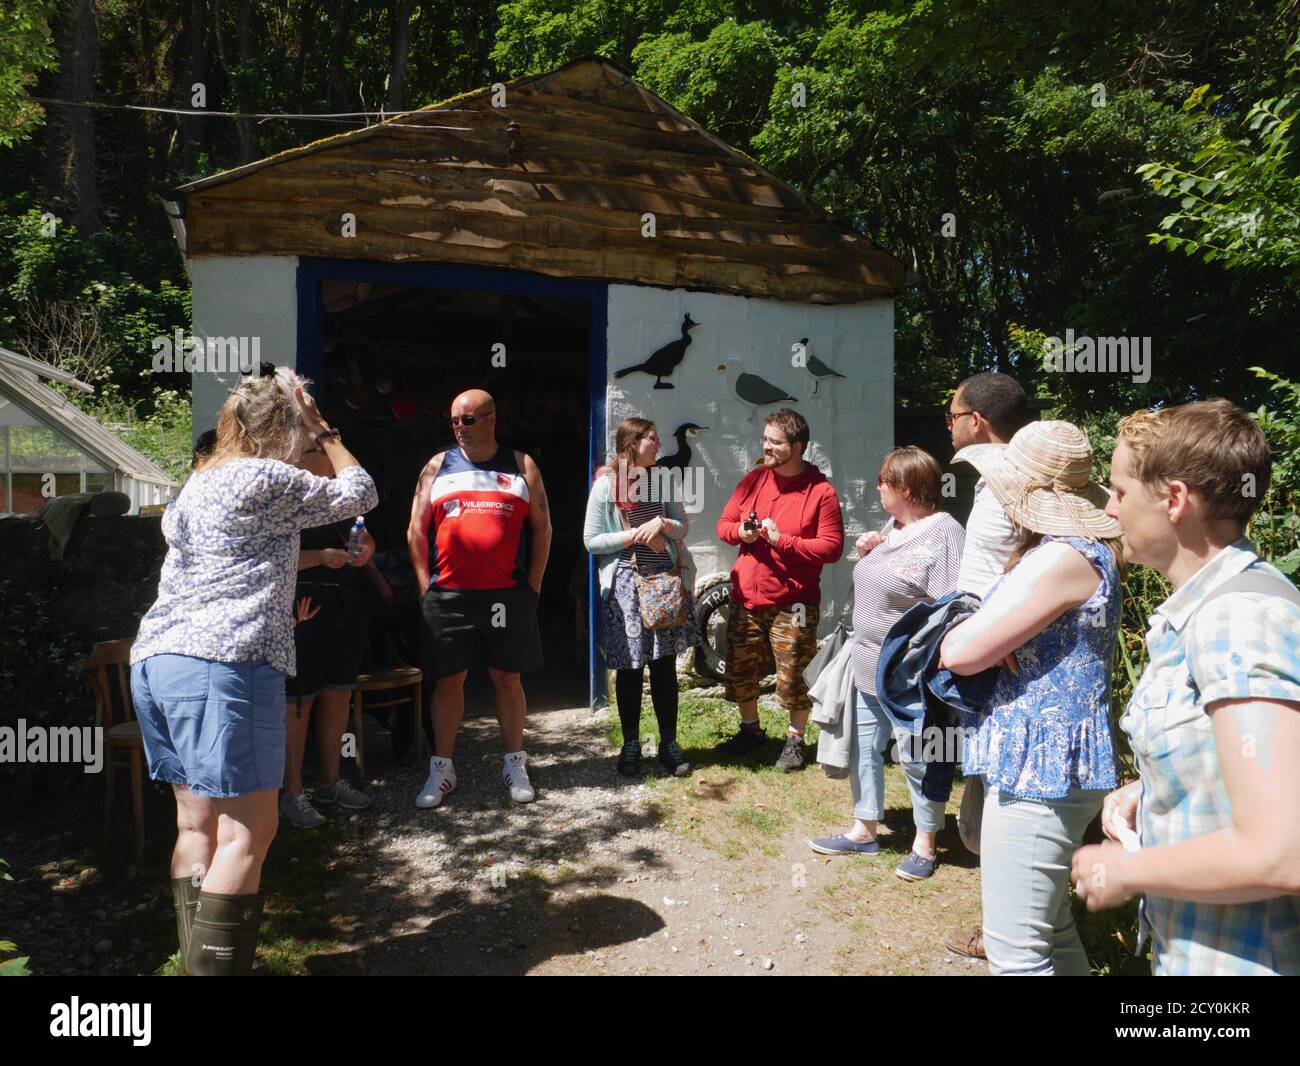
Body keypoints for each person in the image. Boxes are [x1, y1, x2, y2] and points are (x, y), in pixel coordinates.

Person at [130, 368, 377, 975]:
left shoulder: (199, 479)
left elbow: (233, 562)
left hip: (158, 661)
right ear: (288, 427)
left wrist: (290, 588)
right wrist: (326, 429)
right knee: (249, 831)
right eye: (301, 429)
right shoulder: (266, 475)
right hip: (225, 666)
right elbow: (360, 491)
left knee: (196, 823)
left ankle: (198, 963)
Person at [1072, 400, 1300, 975]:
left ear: (1174, 500)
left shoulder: (1237, 620)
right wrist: (1151, 790)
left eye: (1120, 492)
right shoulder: (1210, 610)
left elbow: (1284, 851)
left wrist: (1124, 870)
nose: (1109, 508)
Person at [940, 420, 1124, 975]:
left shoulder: (1061, 557)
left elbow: (959, 651)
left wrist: (974, 637)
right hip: (1051, 762)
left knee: (1016, 953)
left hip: (1039, 767)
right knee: (1050, 934)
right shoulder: (1082, 551)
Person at [810, 447, 965, 880]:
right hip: (865, 663)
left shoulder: (944, 532)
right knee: (863, 747)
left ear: (906, 487)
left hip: (908, 672)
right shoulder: (895, 526)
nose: (877, 487)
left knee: (918, 753)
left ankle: (926, 842)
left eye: (883, 480)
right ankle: (864, 829)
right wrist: (872, 547)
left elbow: (950, 606)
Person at [407, 388, 551, 808]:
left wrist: (535, 584)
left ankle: (514, 762)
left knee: (507, 678)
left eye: (467, 420)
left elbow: (542, 528)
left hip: (505, 595)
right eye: (453, 421)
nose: (459, 428)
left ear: (491, 419)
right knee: (448, 681)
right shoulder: (437, 466)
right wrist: (424, 585)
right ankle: (442, 769)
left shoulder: (522, 465)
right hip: (448, 595)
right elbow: (416, 529)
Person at [715, 409, 844, 770]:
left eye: (775, 441)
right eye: (765, 439)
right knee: (741, 669)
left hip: (794, 602)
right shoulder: (753, 480)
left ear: (797, 446)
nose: (766, 446)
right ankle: (750, 730)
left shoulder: (821, 492)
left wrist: (782, 541)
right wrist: (741, 532)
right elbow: (723, 525)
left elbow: (832, 548)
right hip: (747, 596)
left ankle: (795, 740)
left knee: (794, 674)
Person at [584, 417, 700, 776]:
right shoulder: (607, 486)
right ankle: (631, 744)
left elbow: (682, 526)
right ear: (633, 442)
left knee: (664, 666)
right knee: (629, 669)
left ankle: (669, 743)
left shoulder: (662, 480)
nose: (659, 444)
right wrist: (634, 534)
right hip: (625, 588)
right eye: (653, 438)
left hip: (662, 582)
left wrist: (662, 525)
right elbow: (591, 540)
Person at [279, 436, 381, 829]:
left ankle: (329, 781)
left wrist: (366, 548)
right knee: (297, 702)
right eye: (318, 452)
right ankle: (292, 793)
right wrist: (320, 558)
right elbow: (272, 558)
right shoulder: (285, 498)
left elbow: (364, 537)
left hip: (346, 604)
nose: (327, 460)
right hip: (303, 607)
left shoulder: (340, 499)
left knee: (338, 695)